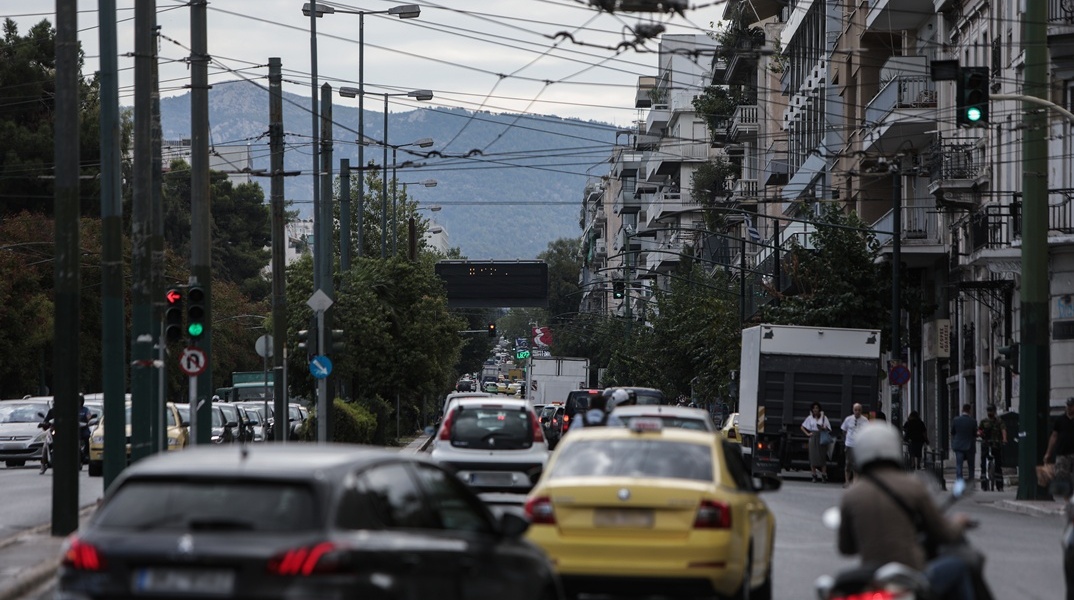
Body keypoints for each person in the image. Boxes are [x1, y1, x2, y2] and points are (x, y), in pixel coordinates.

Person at [837, 422, 977, 600]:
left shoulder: (852, 494)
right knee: (960, 565)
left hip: (873, 577)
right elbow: (943, 533)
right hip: (911, 576)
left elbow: (846, 547)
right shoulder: (912, 486)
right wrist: (959, 522)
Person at [1044, 397, 1074, 499]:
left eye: (1071, 406)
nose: (1069, 408)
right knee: (1062, 475)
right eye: (1068, 406)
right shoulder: (1060, 420)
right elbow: (1054, 436)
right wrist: (1048, 452)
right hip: (1063, 452)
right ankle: (1067, 497)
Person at [801, 402, 832, 483]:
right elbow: (802, 427)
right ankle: (814, 475)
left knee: (822, 457)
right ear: (812, 410)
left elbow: (829, 429)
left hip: (821, 437)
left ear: (819, 409)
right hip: (813, 437)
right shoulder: (810, 418)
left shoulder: (824, 418)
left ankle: (824, 475)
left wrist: (823, 428)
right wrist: (808, 433)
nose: (815, 409)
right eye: (814, 408)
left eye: (817, 408)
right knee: (812, 457)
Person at [977, 405, 1007, 488]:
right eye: (988, 411)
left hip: (996, 444)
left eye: (991, 411)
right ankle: (984, 484)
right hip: (986, 444)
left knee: (998, 464)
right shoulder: (984, 421)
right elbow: (979, 430)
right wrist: (979, 433)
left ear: (994, 411)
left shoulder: (999, 421)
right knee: (983, 463)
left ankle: (999, 485)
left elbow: (1003, 430)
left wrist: (1004, 439)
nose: (990, 412)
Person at [841, 403, 867, 486]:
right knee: (848, 463)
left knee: (856, 464)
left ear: (861, 411)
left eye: (859, 410)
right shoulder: (848, 419)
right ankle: (847, 481)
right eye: (856, 410)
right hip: (849, 444)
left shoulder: (865, 420)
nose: (857, 412)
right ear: (853, 410)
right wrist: (847, 440)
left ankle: (855, 482)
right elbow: (844, 430)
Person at [951, 403, 977, 483]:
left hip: (958, 445)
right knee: (971, 466)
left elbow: (952, 432)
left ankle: (959, 481)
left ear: (962, 410)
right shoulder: (973, 421)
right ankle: (971, 481)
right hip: (970, 446)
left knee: (959, 465)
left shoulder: (956, 420)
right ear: (970, 411)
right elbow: (975, 434)